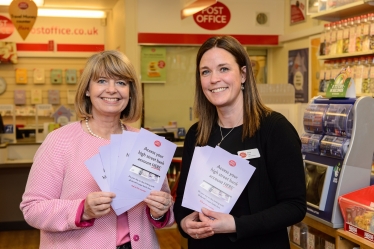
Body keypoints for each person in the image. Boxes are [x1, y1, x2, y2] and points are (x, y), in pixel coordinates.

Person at [20, 50, 174, 249]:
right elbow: (32, 208)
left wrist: (161, 210)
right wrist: (82, 209)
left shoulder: (145, 142)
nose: (112, 89)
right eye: (102, 81)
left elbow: (163, 208)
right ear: (87, 89)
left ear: (130, 92)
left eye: (121, 82)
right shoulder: (60, 141)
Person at [173, 36, 306, 248]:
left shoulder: (274, 129)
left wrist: (236, 224)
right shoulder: (197, 134)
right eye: (205, 72)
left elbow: (294, 206)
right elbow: (182, 201)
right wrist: (184, 222)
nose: (214, 79)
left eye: (223, 69)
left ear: (243, 74)